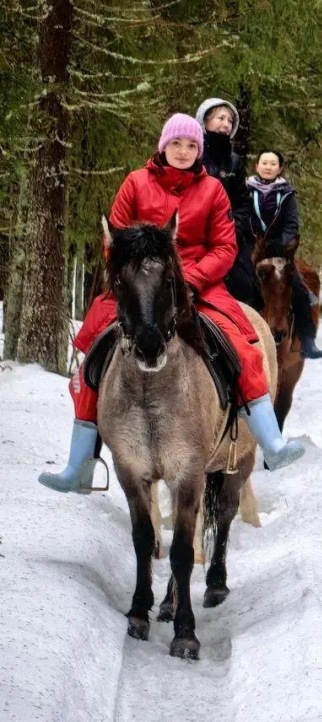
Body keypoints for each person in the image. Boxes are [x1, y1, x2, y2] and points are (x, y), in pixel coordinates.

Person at [38, 115, 304, 494]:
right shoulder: (135, 182)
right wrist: (137, 275)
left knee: (242, 342)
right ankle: (79, 463)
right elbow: (114, 240)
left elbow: (226, 247)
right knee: (94, 352)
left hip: (198, 282)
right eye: (177, 144)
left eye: (192, 146)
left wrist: (188, 281)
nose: (184, 152)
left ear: (199, 151)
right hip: (139, 284)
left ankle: (271, 441)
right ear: (163, 146)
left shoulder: (213, 189)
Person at [247, 149, 322, 360]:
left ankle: (308, 340)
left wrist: (280, 245)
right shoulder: (246, 191)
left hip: (279, 250)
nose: (268, 167)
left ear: (280, 168)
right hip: (252, 247)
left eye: (273, 164)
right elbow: (241, 217)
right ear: (257, 166)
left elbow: (292, 224)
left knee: (299, 290)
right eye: (264, 162)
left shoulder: (288, 194)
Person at [196, 97, 263, 312]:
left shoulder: (234, 161)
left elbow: (243, 202)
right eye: (220, 118)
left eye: (230, 120)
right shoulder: (192, 154)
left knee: (247, 287)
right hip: (195, 235)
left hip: (228, 237)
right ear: (204, 121)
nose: (226, 124)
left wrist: (233, 230)